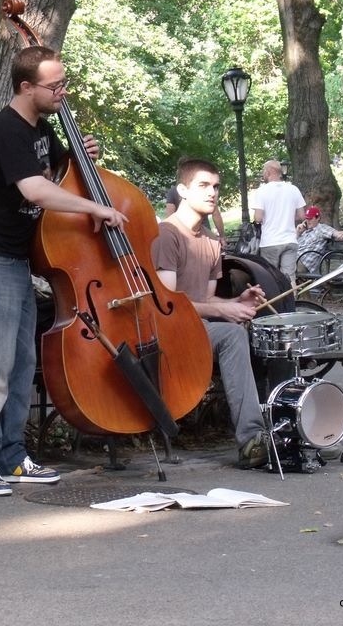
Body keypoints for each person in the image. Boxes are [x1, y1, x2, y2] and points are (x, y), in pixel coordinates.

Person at [0, 45, 128, 496]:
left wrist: (76, 156)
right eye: (55, 86)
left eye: (64, 83)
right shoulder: (7, 128)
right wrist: (96, 208)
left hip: (17, 258)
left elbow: (57, 176)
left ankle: (10, 455)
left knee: (21, 361)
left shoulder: (42, 130)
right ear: (26, 87)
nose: (62, 93)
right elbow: (35, 190)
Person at [151, 158, 270, 470]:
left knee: (263, 332)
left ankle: (282, 429)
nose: (212, 193)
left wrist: (237, 301)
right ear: (182, 190)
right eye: (203, 186)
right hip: (165, 331)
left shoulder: (211, 243)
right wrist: (223, 309)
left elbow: (203, 299)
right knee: (231, 333)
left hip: (198, 329)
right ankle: (252, 438)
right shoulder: (166, 234)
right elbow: (169, 305)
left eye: (216, 186)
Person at [250, 159, 306, 287]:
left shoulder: (262, 191)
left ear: (269, 171)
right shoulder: (293, 189)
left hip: (270, 241)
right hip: (290, 240)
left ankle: (274, 305)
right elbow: (302, 216)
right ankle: (291, 304)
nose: (263, 174)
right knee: (289, 278)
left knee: (270, 277)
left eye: (264, 171)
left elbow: (258, 218)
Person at [296, 205, 343, 276]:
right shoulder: (305, 232)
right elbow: (292, 244)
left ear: (318, 218)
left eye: (310, 219)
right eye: (307, 219)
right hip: (295, 258)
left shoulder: (321, 228)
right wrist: (298, 233)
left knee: (282, 266)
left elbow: (335, 233)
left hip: (303, 263)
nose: (308, 221)